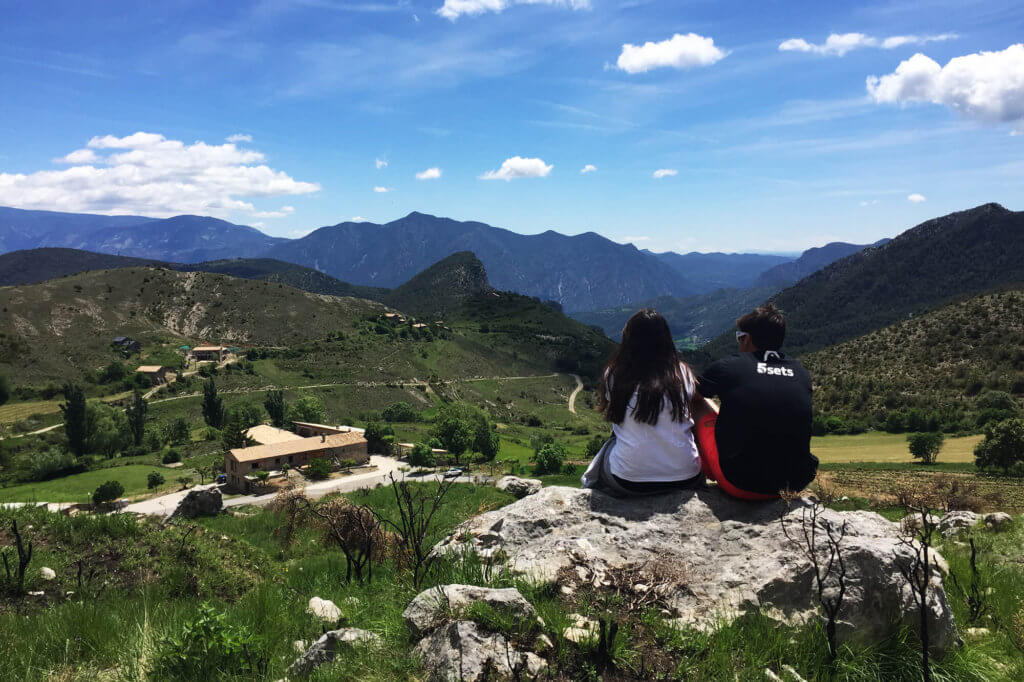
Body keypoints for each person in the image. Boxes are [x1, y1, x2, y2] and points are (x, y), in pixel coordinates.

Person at [693, 303, 818, 500]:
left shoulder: (729, 366)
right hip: (793, 483)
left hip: (740, 482)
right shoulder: (801, 372)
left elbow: (693, 394)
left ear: (747, 338)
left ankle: (693, 475)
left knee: (698, 404)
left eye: (739, 337)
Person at [582, 309, 703, 496]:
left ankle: (590, 486)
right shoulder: (683, 373)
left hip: (629, 482)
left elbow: (615, 411)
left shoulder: (615, 374)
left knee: (610, 446)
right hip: (686, 477)